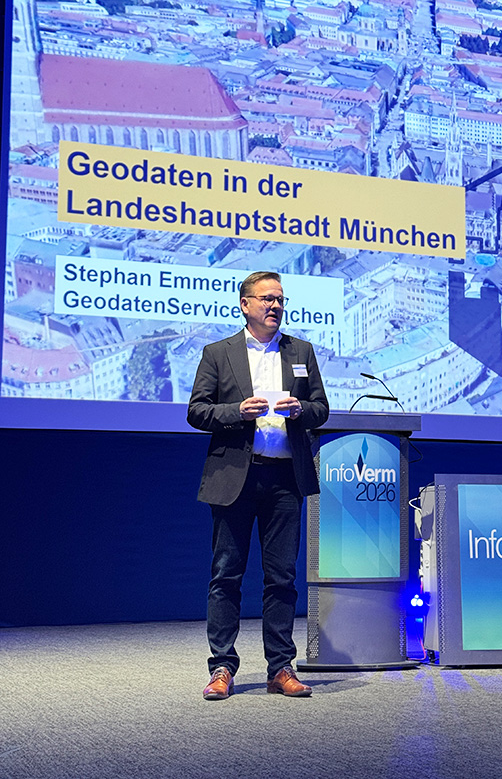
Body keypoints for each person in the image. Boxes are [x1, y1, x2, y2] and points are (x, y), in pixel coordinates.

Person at [187, 270, 329, 700]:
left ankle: (280, 668)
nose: (276, 306)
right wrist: (236, 412)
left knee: (282, 578)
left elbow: (321, 408)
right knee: (226, 575)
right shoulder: (218, 353)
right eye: (267, 299)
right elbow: (197, 411)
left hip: (285, 478)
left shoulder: (300, 351)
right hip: (235, 478)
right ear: (245, 304)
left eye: (280, 299)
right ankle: (221, 667)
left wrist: (300, 409)